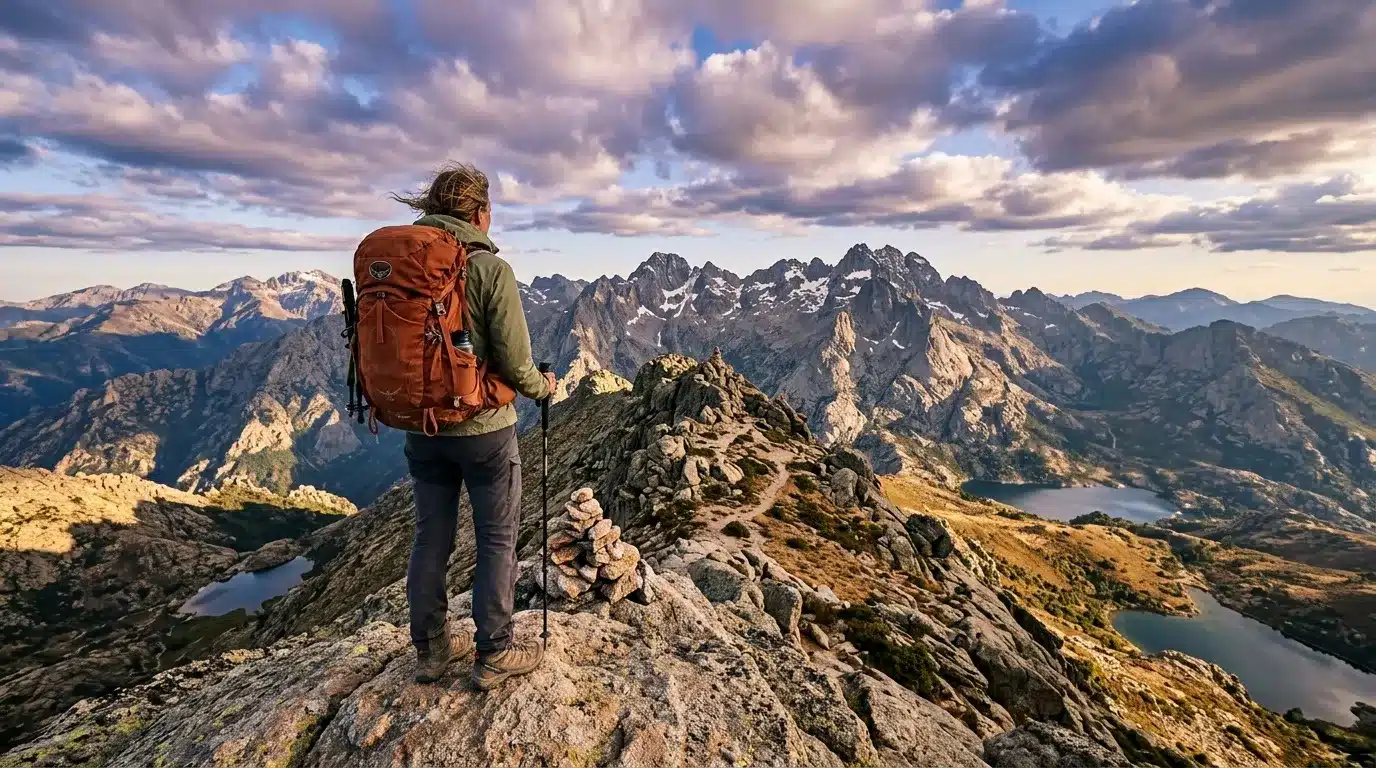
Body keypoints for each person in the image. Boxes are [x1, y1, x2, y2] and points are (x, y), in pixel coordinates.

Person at [388, 162, 556, 690]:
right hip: (484, 431)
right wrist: (544, 387)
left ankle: (432, 651)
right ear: (481, 213)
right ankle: (494, 652)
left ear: (432, 212)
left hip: (423, 427)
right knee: (497, 540)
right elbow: (515, 361)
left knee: (430, 538)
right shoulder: (488, 268)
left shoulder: (409, 266)